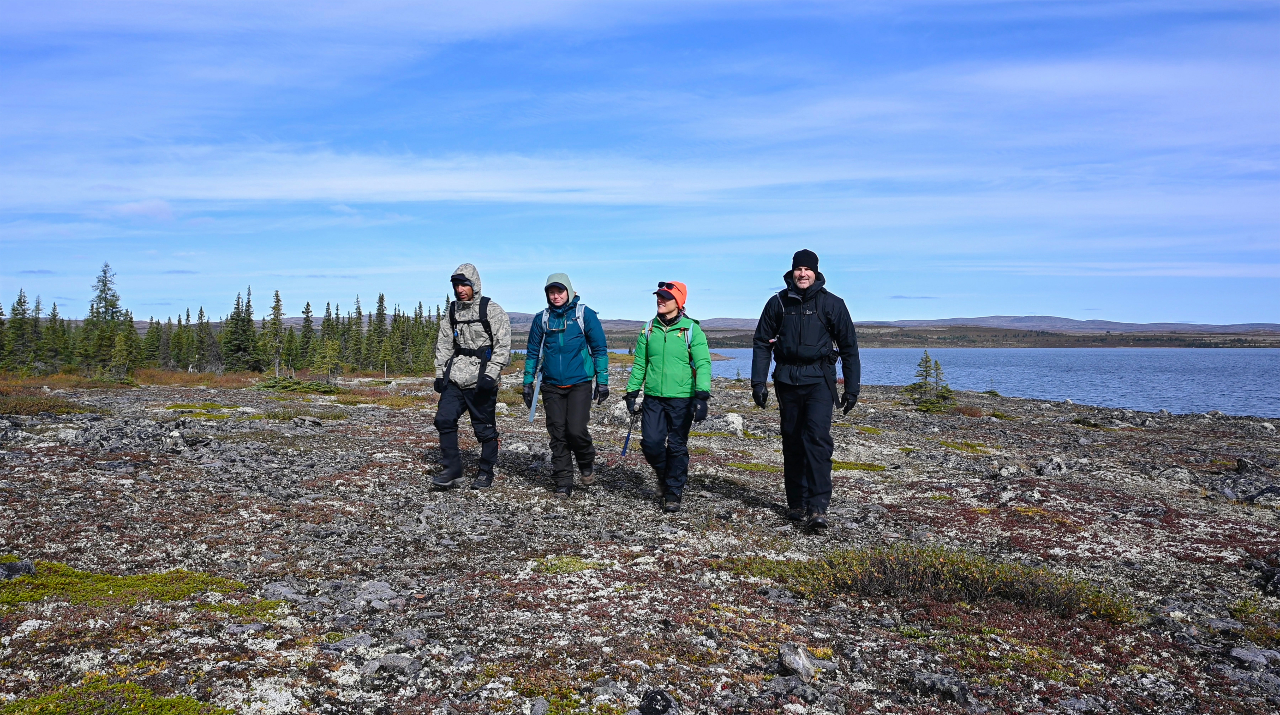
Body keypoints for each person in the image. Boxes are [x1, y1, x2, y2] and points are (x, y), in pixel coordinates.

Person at [751, 249, 860, 529]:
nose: (803, 274)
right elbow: (762, 342)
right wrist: (758, 382)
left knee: (817, 440)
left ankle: (818, 506)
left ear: (816, 272)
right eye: (798, 269)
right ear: (792, 272)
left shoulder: (832, 304)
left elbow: (849, 347)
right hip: (786, 380)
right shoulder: (778, 303)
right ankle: (796, 503)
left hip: (819, 382)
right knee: (792, 441)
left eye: (807, 269)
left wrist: (852, 387)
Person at [623, 281, 713, 513]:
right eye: (659, 296)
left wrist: (701, 396)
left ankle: (673, 491)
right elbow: (641, 363)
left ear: (679, 301)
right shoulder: (648, 329)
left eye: (666, 297)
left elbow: (703, 363)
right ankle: (666, 476)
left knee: (676, 445)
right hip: (653, 398)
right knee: (651, 444)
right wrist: (632, 391)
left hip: (682, 398)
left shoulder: (692, 330)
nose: (660, 300)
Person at [522, 273, 611, 499]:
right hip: (551, 385)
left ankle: (585, 460)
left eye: (559, 291)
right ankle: (563, 481)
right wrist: (527, 382)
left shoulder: (584, 315)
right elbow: (533, 351)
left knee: (576, 430)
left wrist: (602, 381)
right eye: (551, 292)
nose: (555, 296)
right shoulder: (541, 318)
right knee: (557, 434)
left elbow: (599, 348)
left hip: (579, 382)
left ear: (569, 291)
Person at [432, 263, 512, 489]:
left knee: (484, 429)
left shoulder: (492, 310)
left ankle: (485, 472)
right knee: (443, 420)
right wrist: (440, 374)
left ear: (474, 285)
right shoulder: (451, 312)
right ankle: (452, 470)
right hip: (455, 377)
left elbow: (503, 344)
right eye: (456, 285)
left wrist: (492, 373)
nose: (459, 289)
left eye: (464, 284)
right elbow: (444, 343)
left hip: (482, 379)